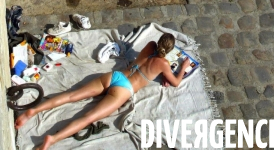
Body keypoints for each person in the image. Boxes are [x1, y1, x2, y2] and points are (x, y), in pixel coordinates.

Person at [15, 33, 191, 150]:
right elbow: (175, 82)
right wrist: (183, 68)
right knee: (88, 117)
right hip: (124, 90)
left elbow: (149, 59)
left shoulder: (150, 45)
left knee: (71, 95)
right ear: (169, 51)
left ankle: (32, 111)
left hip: (115, 76)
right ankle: (52, 139)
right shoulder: (165, 65)